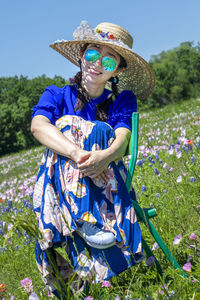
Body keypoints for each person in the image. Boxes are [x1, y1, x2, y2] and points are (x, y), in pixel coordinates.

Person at [31, 20, 155, 297]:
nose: (97, 63)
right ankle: (84, 217)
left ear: (118, 71)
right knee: (63, 127)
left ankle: (88, 219)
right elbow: (38, 126)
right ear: (81, 54)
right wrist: (75, 151)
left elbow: (122, 140)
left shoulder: (121, 101)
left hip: (106, 183)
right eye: (92, 53)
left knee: (100, 129)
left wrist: (106, 155)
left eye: (109, 62)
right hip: (59, 186)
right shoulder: (56, 94)